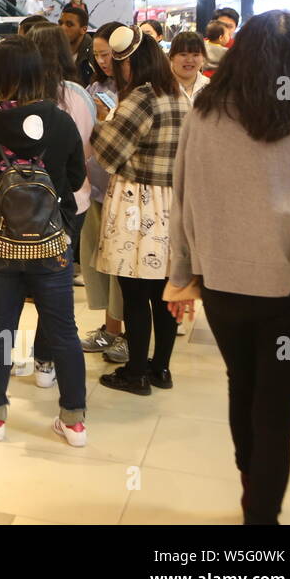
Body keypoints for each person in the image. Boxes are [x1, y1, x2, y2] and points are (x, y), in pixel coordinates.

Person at [169, 10, 290, 523]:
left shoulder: (203, 118)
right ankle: (260, 516)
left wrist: (180, 277)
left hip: (221, 287)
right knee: (276, 413)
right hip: (286, 294)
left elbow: (182, 200)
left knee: (240, 383)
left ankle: (249, 484)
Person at [0, 37, 88, 446]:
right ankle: (74, 420)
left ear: (0, 71)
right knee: (63, 330)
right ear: (39, 71)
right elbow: (77, 180)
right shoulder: (61, 121)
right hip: (51, 243)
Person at [92, 27, 186, 395]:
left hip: (137, 203)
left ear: (131, 62)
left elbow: (110, 153)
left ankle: (135, 373)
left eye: (119, 64)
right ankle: (160, 369)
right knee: (163, 293)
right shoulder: (178, 96)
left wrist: (101, 120)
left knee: (133, 294)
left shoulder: (141, 99)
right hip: (171, 203)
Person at [25, 24, 94, 390]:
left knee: (17, 285)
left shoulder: (17, 98)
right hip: (72, 201)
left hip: (22, 204)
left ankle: (6, 367)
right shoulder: (79, 96)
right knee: (56, 282)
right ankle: (46, 359)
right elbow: (86, 153)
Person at [79, 22, 127, 359]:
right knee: (97, 262)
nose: (103, 60)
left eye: (107, 54)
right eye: (97, 55)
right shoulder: (94, 85)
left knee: (120, 265)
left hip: (123, 190)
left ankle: (120, 333)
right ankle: (111, 330)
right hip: (94, 184)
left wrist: (107, 117)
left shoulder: (137, 90)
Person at [168, 30, 210, 106]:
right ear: (171, 57)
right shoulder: (157, 88)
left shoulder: (211, 88)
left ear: (203, 57)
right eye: (183, 54)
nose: (189, 60)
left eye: (196, 55)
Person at [59, 4, 94, 87]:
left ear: (83, 29)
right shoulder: (55, 50)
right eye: (60, 23)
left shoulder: (94, 54)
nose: (62, 28)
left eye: (69, 24)